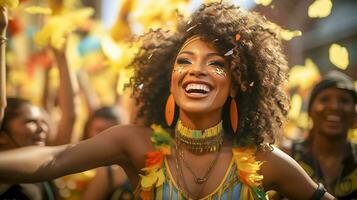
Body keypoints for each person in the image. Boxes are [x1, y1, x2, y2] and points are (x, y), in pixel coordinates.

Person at [0, 2, 335, 199]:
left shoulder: (266, 160)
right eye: (184, 61)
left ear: (236, 86)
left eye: (216, 63)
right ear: (170, 82)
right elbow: (52, 160)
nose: (196, 71)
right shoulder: (133, 142)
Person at [291, 70, 357, 199]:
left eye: (344, 100)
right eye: (324, 99)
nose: (334, 107)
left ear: (355, 115)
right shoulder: (289, 156)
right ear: (310, 110)